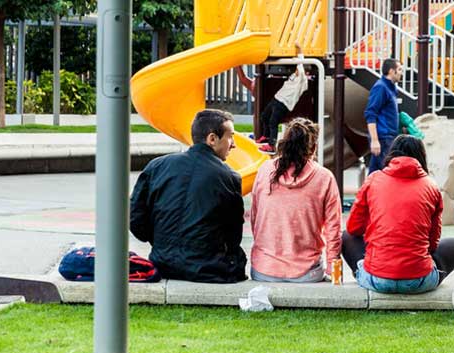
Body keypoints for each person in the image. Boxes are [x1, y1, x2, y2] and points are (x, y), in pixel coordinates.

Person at [130, 109, 247, 283]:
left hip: (162, 262)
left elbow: (136, 218)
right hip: (207, 269)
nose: (234, 144)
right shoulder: (228, 177)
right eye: (230, 137)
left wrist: (164, 242)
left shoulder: (157, 166)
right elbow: (233, 234)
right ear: (212, 139)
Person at [342, 135, 454, 294]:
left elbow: (353, 228)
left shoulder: (373, 179)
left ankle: (364, 273)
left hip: (377, 279)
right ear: (421, 157)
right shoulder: (431, 186)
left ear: (392, 154)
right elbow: (432, 243)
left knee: (346, 236)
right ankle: (427, 273)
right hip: (419, 281)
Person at [250, 118, 343, 282]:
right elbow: (333, 229)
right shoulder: (324, 178)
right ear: (313, 148)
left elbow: (254, 218)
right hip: (306, 273)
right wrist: (332, 269)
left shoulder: (264, 170)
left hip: (263, 269)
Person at [256, 43, 309, 154]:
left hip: (283, 103)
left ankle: (272, 145)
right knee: (264, 116)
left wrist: (299, 48)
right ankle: (266, 136)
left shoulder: (302, 79)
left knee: (273, 122)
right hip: (276, 99)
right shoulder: (295, 75)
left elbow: (301, 62)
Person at [364, 58, 403, 174]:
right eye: (399, 69)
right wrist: (375, 140)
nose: (401, 72)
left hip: (388, 137)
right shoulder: (381, 88)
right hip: (383, 137)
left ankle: (368, 192)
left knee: (376, 173)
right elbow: (371, 113)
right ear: (392, 71)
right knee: (387, 173)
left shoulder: (391, 88)